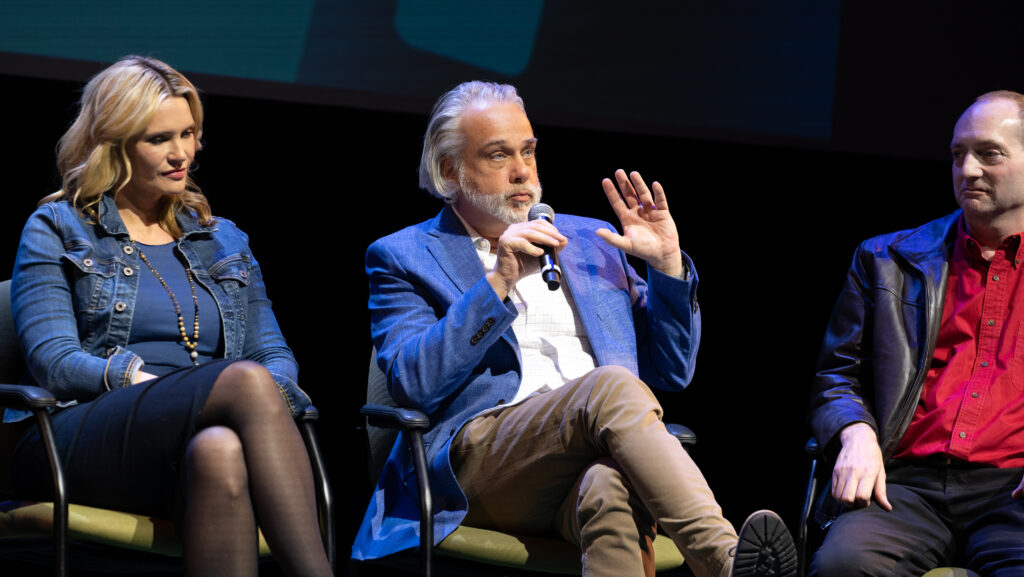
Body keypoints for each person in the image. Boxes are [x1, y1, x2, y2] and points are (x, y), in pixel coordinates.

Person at [352, 81, 797, 577]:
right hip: (477, 471)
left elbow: (672, 370)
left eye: (528, 151)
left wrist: (667, 266)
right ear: (450, 170)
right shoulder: (404, 256)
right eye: (499, 155)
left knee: (611, 488)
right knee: (610, 386)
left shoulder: (592, 240)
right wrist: (498, 283)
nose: (522, 171)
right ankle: (725, 561)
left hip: (581, 466)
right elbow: (412, 382)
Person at [5, 56, 333, 577]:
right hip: (79, 432)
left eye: (189, 133)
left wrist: (246, 407)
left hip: (193, 436)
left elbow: (272, 352)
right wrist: (147, 384)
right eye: (159, 139)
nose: (182, 154)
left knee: (221, 448)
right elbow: (56, 363)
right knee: (246, 381)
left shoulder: (224, 239)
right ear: (114, 143)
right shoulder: (59, 226)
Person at [808, 90, 1024, 576]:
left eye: (989, 154)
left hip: (1014, 490)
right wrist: (855, 433)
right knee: (843, 566)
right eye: (958, 154)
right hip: (906, 485)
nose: (967, 170)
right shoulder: (887, 260)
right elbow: (836, 377)